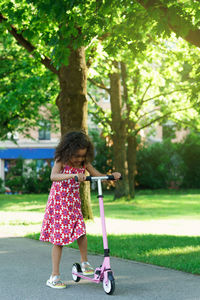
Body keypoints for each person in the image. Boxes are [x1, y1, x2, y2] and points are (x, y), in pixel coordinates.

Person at [40, 131, 121, 289]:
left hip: (73, 203)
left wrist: (112, 176)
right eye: (76, 156)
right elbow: (53, 176)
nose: (79, 159)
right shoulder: (61, 160)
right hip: (59, 204)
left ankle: (85, 263)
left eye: (82, 156)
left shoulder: (84, 164)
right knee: (59, 240)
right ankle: (54, 276)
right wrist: (72, 176)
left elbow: (97, 175)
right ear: (68, 151)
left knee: (81, 231)